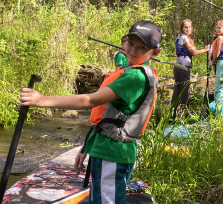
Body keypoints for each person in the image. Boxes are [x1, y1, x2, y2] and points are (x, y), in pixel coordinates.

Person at [20, 20, 162, 204]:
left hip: (112, 153)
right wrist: (87, 146)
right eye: (131, 44)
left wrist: (42, 100)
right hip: (110, 150)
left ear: (155, 52)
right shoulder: (138, 72)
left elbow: (90, 100)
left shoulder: (134, 77)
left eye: (141, 48)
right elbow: (110, 119)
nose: (133, 50)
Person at [171, 19, 210, 119]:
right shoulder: (184, 38)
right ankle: (187, 114)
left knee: (178, 89)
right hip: (183, 67)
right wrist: (205, 50)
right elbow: (193, 52)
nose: (188, 29)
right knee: (185, 90)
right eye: (186, 27)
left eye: (189, 27)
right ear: (182, 28)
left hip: (178, 66)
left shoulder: (180, 37)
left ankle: (173, 114)